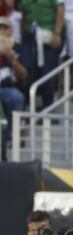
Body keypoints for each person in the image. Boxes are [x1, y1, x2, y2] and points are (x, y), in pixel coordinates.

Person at [0, 16, 27, 161]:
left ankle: (12, 135)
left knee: (16, 96)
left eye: (5, 28)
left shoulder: (17, 47)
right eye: (0, 28)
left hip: (7, 87)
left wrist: (12, 59)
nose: (2, 31)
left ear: (10, 30)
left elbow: (24, 76)